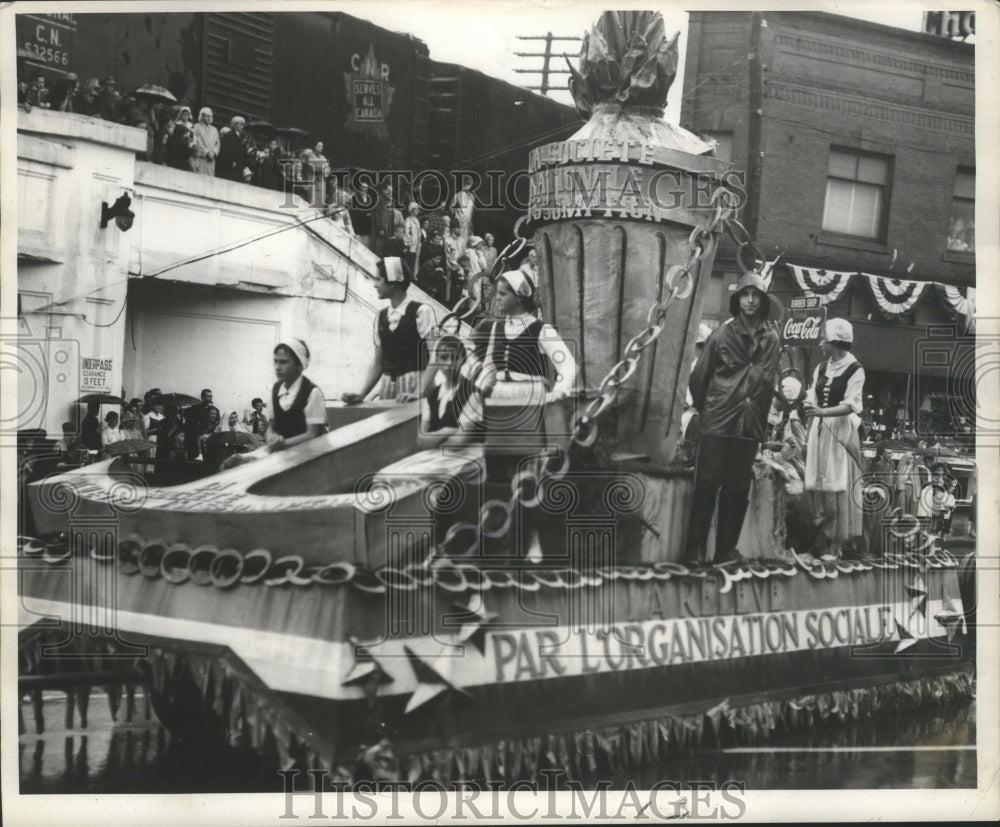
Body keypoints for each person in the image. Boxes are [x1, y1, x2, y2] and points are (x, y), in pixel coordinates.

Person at [685, 272, 781, 567]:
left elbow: (768, 383)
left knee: (738, 489)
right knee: (706, 484)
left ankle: (726, 550)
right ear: (737, 300)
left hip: (749, 425)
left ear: (763, 301)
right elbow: (698, 380)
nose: (750, 300)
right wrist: (711, 410)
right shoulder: (720, 336)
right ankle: (695, 550)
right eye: (745, 294)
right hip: (718, 421)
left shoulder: (773, 339)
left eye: (756, 295)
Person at [463, 269, 577, 475]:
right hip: (498, 408)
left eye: (503, 294)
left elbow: (568, 365)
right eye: (497, 293)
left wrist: (555, 394)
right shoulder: (496, 329)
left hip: (529, 408)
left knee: (527, 465)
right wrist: (480, 389)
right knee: (496, 464)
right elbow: (489, 365)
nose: (496, 298)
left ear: (519, 296)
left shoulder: (541, 330)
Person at [802, 318, 867, 560]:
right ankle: (820, 540)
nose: (820, 343)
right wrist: (810, 407)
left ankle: (836, 545)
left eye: (823, 339)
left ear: (834, 341)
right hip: (820, 431)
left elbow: (851, 405)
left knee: (836, 484)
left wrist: (821, 413)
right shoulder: (821, 368)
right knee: (818, 484)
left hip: (840, 433)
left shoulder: (855, 369)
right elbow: (812, 394)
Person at [343, 257, 436, 405]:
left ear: (393, 283)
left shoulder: (422, 311)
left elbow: (436, 356)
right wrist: (361, 394)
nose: (375, 284)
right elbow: (378, 363)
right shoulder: (380, 317)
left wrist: (420, 390)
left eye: (378, 279)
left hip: (416, 386)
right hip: (388, 389)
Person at [420, 335, 484, 446]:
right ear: (437, 360)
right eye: (444, 358)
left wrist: (432, 439)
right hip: (437, 456)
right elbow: (421, 440)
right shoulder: (432, 396)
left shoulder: (472, 393)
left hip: (468, 456)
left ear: (463, 359)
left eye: (454, 358)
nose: (449, 364)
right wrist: (447, 432)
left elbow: (459, 442)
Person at [267, 339, 328, 451]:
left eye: (283, 362)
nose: (277, 367)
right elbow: (271, 426)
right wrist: (271, 437)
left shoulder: (312, 392)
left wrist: (282, 443)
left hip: (305, 454)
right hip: (280, 453)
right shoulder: (275, 390)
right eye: (275, 361)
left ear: (299, 365)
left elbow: (312, 434)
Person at [917, 463, 957, 537]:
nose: (941, 472)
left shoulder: (944, 479)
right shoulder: (935, 477)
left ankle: (935, 530)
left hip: (940, 498)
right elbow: (934, 487)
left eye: (942, 470)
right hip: (935, 498)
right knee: (932, 515)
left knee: (937, 516)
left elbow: (947, 490)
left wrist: (950, 486)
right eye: (939, 470)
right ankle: (929, 529)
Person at [371, 182, 403, 257]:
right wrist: (380, 228)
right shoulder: (378, 201)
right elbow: (377, 215)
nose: (390, 193)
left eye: (391, 191)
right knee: (379, 248)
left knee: (388, 248)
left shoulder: (392, 201)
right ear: (383, 191)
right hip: (380, 230)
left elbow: (392, 216)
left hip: (389, 229)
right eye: (388, 191)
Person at [217, 116, 252, 182]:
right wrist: (231, 162)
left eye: (243, 125)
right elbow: (224, 151)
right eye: (240, 124)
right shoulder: (229, 136)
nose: (242, 127)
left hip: (238, 166)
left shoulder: (240, 136)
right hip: (230, 166)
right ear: (234, 125)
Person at [191, 107, 220, 176]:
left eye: (211, 116)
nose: (210, 118)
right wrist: (206, 152)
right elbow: (197, 141)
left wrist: (213, 153)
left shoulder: (214, 129)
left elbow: (218, 143)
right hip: (201, 157)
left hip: (211, 159)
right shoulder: (196, 127)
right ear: (202, 116)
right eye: (207, 116)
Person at [403, 202, 423, 272]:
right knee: (410, 264)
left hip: (417, 245)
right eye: (415, 209)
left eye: (417, 209)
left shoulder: (417, 220)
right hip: (411, 246)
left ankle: (414, 275)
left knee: (415, 262)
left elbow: (419, 233)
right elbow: (406, 232)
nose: (417, 210)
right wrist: (408, 244)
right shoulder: (408, 220)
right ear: (411, 210)